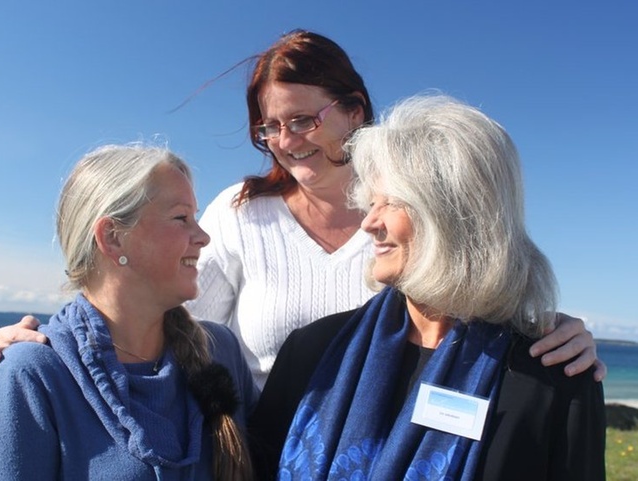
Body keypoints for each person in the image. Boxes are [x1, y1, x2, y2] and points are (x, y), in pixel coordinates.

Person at [0, 30, 604, 389]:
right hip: (263, 450)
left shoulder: (409, 222)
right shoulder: (240, 214)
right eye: (269, 128)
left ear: (356, 110)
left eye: (303, 119)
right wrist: (49, 348)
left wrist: (551, 332)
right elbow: (161, 326)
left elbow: (477, 293)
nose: (286, 140)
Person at [248, 94, 606, 480]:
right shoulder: (313, 351)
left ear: (454, 213)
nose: (369, 222)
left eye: (392, 203)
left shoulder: (551, 377)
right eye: (371, 202)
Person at [0, 144, 257, 480]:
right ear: (113, 237)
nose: (203, 237)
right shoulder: (31, 374)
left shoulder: (219, 351)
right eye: (181, 218)